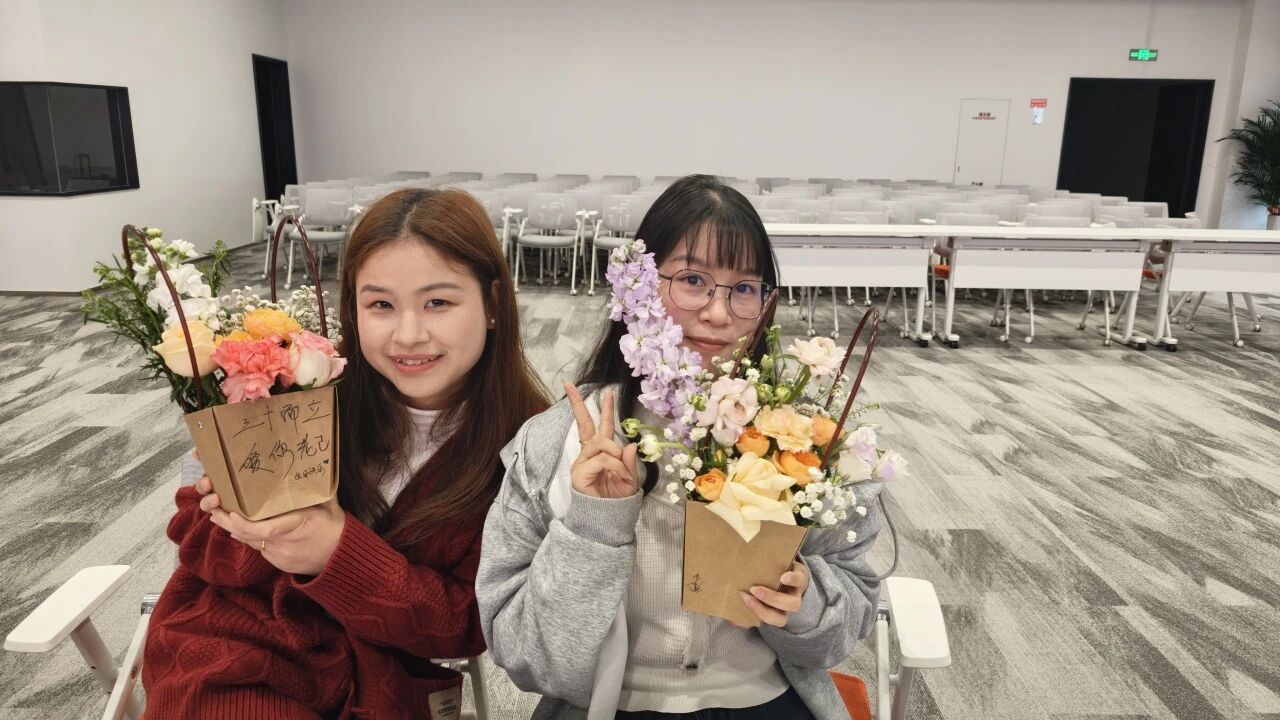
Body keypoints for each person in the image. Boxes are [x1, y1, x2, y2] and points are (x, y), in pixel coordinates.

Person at [477, 174, 883, 720]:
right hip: (612, 705)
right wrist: (593, 527)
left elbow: (844, 630)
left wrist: (804, 604)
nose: (719, 313)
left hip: (764, 697)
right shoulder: (558, 444)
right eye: (692, 280)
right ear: (640, 290)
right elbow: (527, 660)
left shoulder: (801, 442)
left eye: (744, 288)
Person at [143, 188, 548, 718]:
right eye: (381, 304)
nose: (408, 335)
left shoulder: (532, 446)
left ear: (492, 305)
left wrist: (337, 554)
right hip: (229, 651)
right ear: (353, 310)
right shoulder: (302, 387)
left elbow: (474, 623)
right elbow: (194, 538)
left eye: (438, 302)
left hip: (375, 680)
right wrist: (255, 531)